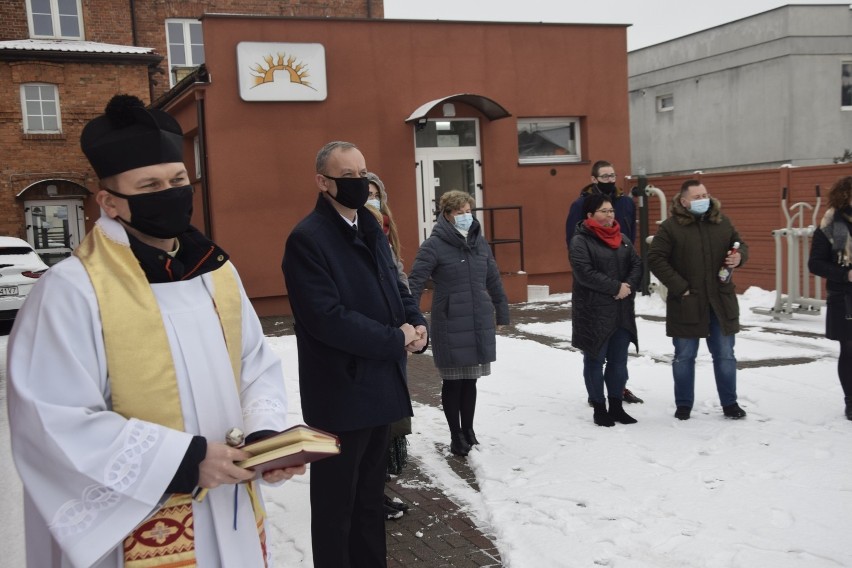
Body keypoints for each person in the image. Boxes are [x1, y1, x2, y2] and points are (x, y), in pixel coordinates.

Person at [6, 94, 305, 568]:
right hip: (141, 518)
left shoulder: (214, 272)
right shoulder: (73, 290)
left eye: (178, 180)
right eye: (150, 185)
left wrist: (263, 437)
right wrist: (184, 461)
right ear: (111, 203)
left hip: (230, 503)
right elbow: (51, 418)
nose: (170, 192)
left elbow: (253, 362)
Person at [282, 141, 428, 568]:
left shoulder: (369, 225)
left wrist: (415, 322)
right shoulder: (307, 239)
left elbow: (396, 284)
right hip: (341, 394)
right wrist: (393, 338)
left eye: (363, 173)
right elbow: (326, 318)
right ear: (322, 182)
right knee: (335, 509)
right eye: (348, 176)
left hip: (380, 386)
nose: (360, 183)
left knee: (369, 502)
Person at [408, 190, 510, 457]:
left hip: (478, 318)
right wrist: (409, 316)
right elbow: (416, 281)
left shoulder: (480, 242)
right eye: (460, 212)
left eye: (469, 211)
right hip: (450, 319)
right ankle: (455, 434)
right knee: (453, 382)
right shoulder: (433, 245)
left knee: (471, 381)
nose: (466, 216)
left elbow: (493, 278)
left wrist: (502, 311)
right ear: (447, 214)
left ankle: (469, 430)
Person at [648, 179, 749, 420]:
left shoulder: (722, 222)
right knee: (684, 356)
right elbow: (656, 258)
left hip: (720, 301)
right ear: (684, 202)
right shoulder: (671, 228)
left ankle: (730, 403)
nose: (703, 199)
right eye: (697, 197)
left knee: (725, 355)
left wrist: (739, 257)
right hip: (687, 301)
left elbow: (740, 245)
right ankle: (683, 404)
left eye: (705, 194)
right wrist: (680, 287)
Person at [565, 160, 643, 404]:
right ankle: (597, 398)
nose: (610, 179)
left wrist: (627, 285)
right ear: (594, 178)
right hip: (595, 293)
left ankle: (619, 389)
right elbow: (575, 245)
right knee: (597, 352)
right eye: (605, 176)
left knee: (619, 353)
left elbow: (632, 246)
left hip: (621, 288)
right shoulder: (581, 204)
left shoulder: (626, 202)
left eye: (613, 175)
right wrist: (611, 286)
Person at [364, 171, 411, 521]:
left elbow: (400, 278)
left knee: (388, 419)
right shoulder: (350, 237)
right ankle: (370, 495)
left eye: (375, 193)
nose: (371, 199)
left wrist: (413, 322)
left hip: (396, 337)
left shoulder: (386, 232)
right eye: (365, 193)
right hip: (374, 339)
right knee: (373, 420)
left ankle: (377, 490)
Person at [807, 176, 852, 420]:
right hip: (844, 295)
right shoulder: (829, 226)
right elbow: (814, 263)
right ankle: (851, 400)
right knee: (849, 348)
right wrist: (846, 274)